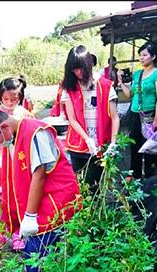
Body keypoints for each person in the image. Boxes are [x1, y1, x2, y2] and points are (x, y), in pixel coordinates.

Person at [0, 108, 80, 272]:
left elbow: (38, 174)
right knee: (37, 256)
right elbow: (19, 173)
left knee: (35, 257)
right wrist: (3, 191)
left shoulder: (35, 133)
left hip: (54, 202)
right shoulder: (13, 136)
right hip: (39, 204)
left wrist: (29, 217)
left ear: (4, 126)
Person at [60, 45, 120, 189]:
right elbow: (72, 119)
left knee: (94, 186)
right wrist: (87, 138)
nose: (78, 72)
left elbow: (115, 117)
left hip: (100, 143)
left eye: (81, 68)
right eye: (74, 69)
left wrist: (113, 142)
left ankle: (95, 209)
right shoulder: (69, 87)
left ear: (88, 65)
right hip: (78, 143)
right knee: (79, 185)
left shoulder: (105, 85)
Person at [0, 76, 36, 251]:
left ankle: (19, 233)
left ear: (20, 97)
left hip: (20, 160)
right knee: (3, 198)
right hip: (2, 162)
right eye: (5, 99)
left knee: (21, 195)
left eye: (14, 99)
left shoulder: (24, 113)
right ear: (0, 96)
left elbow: (32, 133)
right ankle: (1, 233)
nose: (9, 103)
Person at [117, 41, 157, 179]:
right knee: (135, 144)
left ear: (153, 56)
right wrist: (121, 81)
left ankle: (151, 175)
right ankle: (135, 175)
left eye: (144, 55)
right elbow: (129, 95)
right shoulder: (137, 74)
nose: (141, 58)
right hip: (134, 113)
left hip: (149, 115)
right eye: (140, 55)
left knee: (150, 146)